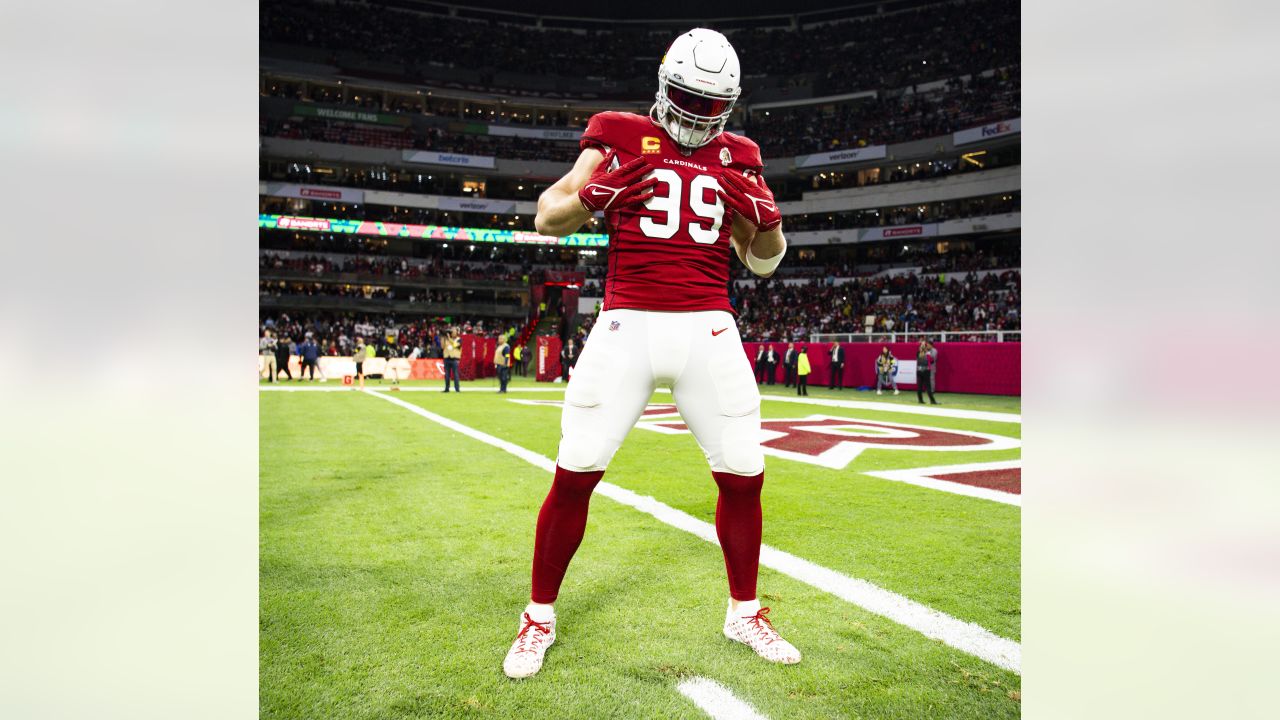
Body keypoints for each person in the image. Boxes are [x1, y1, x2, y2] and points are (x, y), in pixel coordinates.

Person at [503, 28, 800, 680]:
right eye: (688, 98)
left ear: (731, 103)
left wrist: (770, 226)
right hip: (628, 321)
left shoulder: (739, 152)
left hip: (708, 326)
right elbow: (545, 217)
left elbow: (764, 263)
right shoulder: (616, 131)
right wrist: (592, 197)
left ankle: (744, 611)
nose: (696, 114)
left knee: (744, 470)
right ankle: (538, 617)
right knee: (576, 468)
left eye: (710, 103)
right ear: (664, 86)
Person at [916, 338, 938, 405]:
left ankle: (920, 400)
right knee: (928, 386)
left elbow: (918, 360)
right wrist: (927, 353)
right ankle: (932, 400)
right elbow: (932, 361)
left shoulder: (918, 353)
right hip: (926, 370)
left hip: (919, 370)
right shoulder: (927, 353)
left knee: (919, 386)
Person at [442, 327, 461, 392]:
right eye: (451, 331)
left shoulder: (459, 339)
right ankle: (447, 388)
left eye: (453, 331)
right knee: (447, 374)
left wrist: (449, 338)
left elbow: (455, 345)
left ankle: (457, 389)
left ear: (457, 332)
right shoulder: (446, 339)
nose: (452, 332)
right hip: (447, 358)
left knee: (455, 374)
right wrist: (443, 337)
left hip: (454, 359)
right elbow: (442, 346)